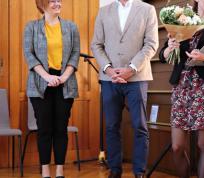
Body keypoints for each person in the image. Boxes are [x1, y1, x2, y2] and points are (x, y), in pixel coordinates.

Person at [159, 0, 204, 177]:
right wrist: (169, 48)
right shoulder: (181, 20)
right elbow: (162, 56)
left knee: (203, 145)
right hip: (181, 87)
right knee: (176, 146)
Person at [91, 0, 158, 177]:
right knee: (112, 126)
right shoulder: (104, 11)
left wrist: (131, 69)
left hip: (137, 77)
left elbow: (151, 44)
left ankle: (139, 172)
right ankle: (114, 170)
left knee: (140, 126)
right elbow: (96, 44)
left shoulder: (147, 9)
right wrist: (108, 69)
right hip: (109, 78)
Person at [23, 0, 80, 177]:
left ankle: (60, 171)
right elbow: (29, 54)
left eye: (58, 0)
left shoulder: (71, 27)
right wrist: (47, 76)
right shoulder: (31, 27)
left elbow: (75, 54)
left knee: (60, 129)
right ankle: (45, 170)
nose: (57, 3)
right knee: (44, 129)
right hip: (40, 84)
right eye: (52, 1)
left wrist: (63, 77)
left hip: (65, 84)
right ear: (42, 5)